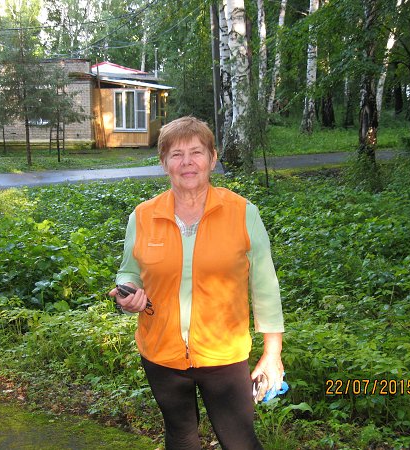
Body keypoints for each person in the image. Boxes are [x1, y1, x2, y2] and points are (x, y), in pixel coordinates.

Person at [109, 116, 284, 450]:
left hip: (223, 354)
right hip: (161, 353)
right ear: (164, 163)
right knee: (180, 435)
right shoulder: (142, 216)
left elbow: (265, 286)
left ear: (212, 159)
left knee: (240, 441)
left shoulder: (243, 213)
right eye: (176, 154)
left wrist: (272, 351)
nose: (187, 162)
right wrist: (126, 294)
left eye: (196, 152)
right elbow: (128, 271)